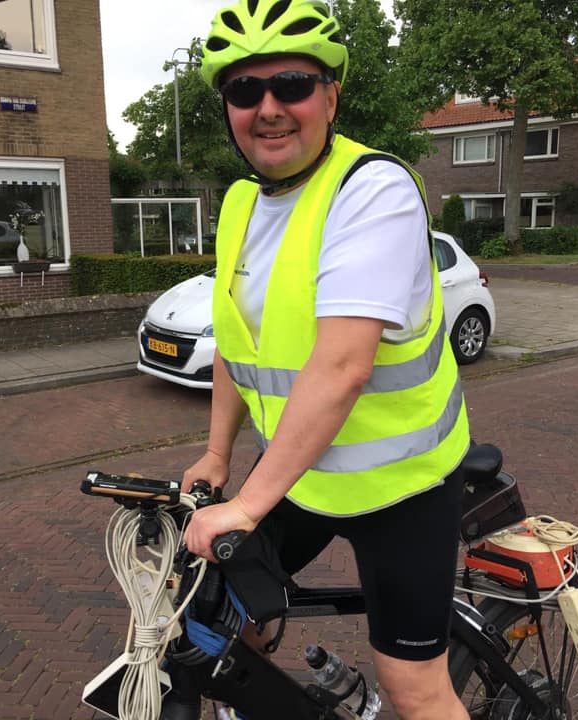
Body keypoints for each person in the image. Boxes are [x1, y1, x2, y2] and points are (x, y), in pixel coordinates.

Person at [178, 1, 472, 718]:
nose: (268, 108)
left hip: (402, 485)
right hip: (303, 471)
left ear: (330, 97)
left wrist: (246, 505)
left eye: (292, 85)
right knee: (220, 622)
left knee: (413, 688)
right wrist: (217, 455)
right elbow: (237, 347)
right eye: (245, 91)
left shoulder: (371, 190)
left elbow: (343, 366)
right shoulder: (240, 205)